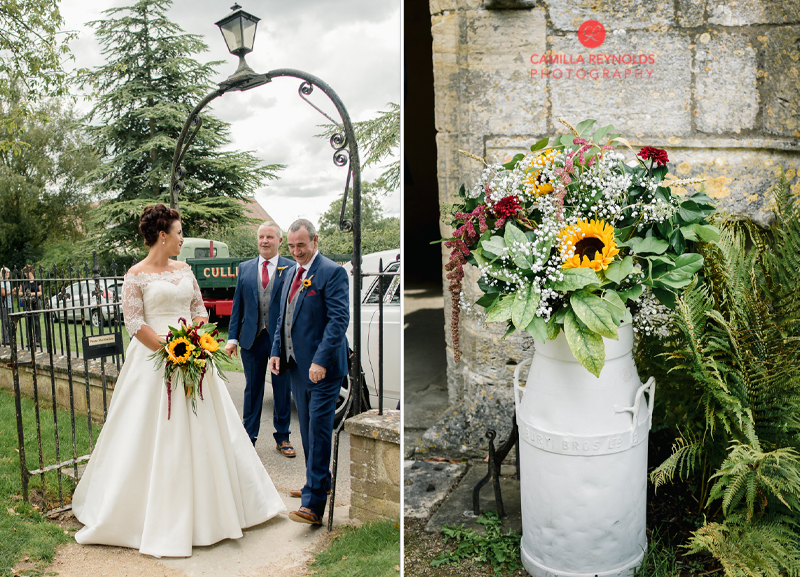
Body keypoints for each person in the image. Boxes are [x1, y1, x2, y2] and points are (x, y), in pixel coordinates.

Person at [72, 204, 286, 557]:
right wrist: (170, 349)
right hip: (153, 362)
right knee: (146, 433)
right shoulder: (135, 275)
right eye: (179, 233)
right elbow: (134, 323)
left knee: (209, 431)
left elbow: (199, 310)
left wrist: (194, 339)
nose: (182, 239)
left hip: (194, 357)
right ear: (162, 236)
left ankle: (216, 510)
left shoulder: (185, 270)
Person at [269, 219, 349, 525]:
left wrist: (320, 360)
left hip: (323, 369)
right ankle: (319, 481)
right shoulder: (291, 273)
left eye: (301, 245)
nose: (296, 251)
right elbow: (282, 318)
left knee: (318, 431)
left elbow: (338, 320)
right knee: (306, 430)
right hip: (296, 368)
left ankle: (313, 505)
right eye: (291, 246)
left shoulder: (332, 272)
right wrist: (276, 351)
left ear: (315, 241)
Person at [225, 222, 296, 455]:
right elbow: (238, 306)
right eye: (261, 237)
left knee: (282, 389)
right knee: (252, 389)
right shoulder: (245, 268)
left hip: (280, 340)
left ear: (280, 241)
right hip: (251, 338)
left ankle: (283, 437)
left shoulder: (291, 268)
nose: (265, 241)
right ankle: (249, 437)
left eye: (270, 237)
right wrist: (232, 339)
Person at [22, 265, 42, 346]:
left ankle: (38, 340)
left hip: (36, 301)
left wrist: (31, 294)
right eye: (24, 272)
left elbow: (40, 292)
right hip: (27, 302)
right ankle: (30, 339)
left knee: (36, 321)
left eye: (26, 272)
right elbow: (20, 292)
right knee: (28, 321)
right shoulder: (24, 282)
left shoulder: (37, 281)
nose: (25, 274)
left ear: (31, 271)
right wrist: (25, 294)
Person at [1, 267, 11, 346]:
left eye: (8, 272)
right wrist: (12, 291)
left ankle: (9, 338)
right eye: (5, 272)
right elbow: (3, 293)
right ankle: (5, 339)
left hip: (9, 303)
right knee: (5, 322)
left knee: (9, 321)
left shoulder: (8, 282)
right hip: (4, 304)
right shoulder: (2, 282)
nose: (7, 273)